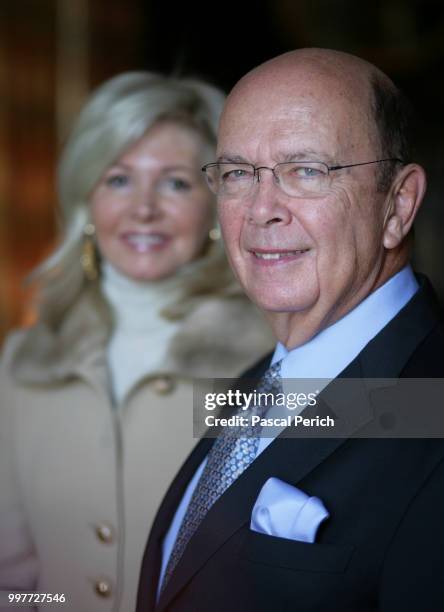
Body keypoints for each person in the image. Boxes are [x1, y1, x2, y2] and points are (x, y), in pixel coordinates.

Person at [136, 49, 444, 611]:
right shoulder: (254, 382)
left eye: (306, 170)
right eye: (237, 174)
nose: (261, 210)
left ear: (398, 206)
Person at [0, 72, 273, 611]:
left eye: (175, 183)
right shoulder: (27, 359)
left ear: (218, 205)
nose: (143, 209)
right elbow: (15, 580)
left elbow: (414, 427)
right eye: (118, 179)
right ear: (86, 200)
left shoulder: (277, 352)